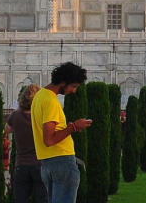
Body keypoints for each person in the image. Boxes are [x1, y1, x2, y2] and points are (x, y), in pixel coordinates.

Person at [33, 61, 92, 203]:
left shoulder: (39, 96)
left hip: (48, 163)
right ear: (64, 82)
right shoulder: (51, 102)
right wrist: (74, 127)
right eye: (74, 86)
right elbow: (49, 140)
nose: (74, 91)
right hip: (62, 162)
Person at [6, 84, 49, 203]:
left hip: (22, 164)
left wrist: (18, 111)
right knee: (42, 199)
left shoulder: (16, 115)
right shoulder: (42, 115)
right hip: (40, 163)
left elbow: (7, 129)